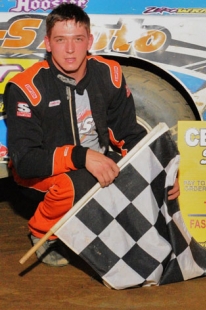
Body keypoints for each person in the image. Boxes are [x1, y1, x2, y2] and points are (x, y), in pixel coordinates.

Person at [5, 3, 180, 267]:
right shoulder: (25, 87)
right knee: (77, 182)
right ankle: (42, 231)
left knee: (142, 179)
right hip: (41, 173)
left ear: (90, 40)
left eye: (78, 39)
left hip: (95, 159)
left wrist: (160, 173)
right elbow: (25, 162)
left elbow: (128, 134)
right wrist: (81, 156)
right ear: (48, 44)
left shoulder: (109, 74)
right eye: (60, 40)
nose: (70, 49)